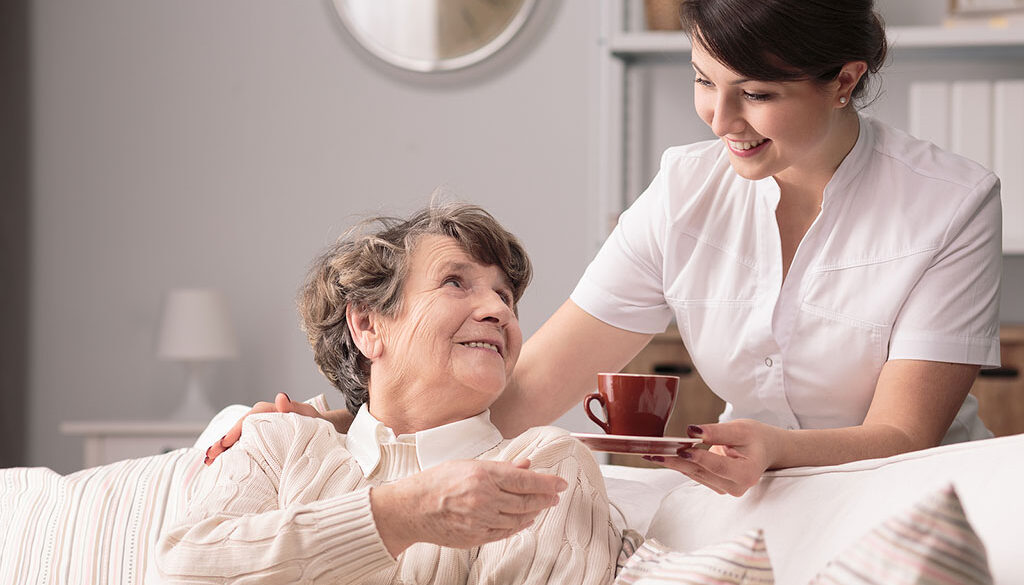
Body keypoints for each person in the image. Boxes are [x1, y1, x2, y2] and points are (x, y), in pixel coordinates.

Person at [208, 0, 1002, 498]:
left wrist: (779, 448)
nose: (719, 120)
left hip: (914, 487)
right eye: (703, 80)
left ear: (843, 80)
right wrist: (339, 423)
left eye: (757, 94)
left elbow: (904, 434)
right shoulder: (685, 192)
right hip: (753, 490)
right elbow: (525, 389)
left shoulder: (951, 202)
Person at [158, 203, 621, 584]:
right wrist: (400, 515)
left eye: (506, 297)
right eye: (454, 282)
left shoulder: (542, 465)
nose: (497, 310)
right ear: (367, 324)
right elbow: (182, 571)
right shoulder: (277, 445)